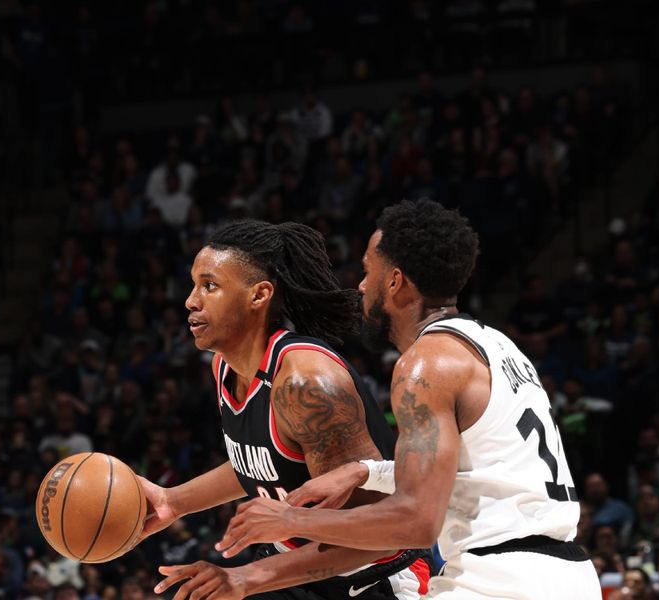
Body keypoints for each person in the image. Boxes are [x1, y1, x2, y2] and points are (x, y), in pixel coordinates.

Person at [214, 199, 601, 599]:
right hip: (566, 574)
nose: (362, 285)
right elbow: (481, 465)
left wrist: (291, 520)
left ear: (395, 281)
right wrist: (367, 471)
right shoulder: (497, 346)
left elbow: (416, 522)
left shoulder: (424, 365)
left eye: (368, 272)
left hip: (497, 579)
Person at [138, 220, 432, 599]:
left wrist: (246, 577)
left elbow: (380, 536)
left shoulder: (307, 383)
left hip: (371, 576)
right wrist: (172, 502)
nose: (191, 301)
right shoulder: (226, 367)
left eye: (209, 286)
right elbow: (267, 460)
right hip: (296, 568)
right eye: (194, 285)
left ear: (258, 295)